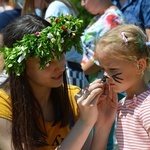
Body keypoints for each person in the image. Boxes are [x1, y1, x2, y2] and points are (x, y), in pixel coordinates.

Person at [0, 13, 107, 150]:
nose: (60, 66)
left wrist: (103, 123)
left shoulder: (74, 97)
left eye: (60, 53)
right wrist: (85, 123)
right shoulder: (4, 105)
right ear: (21, 66)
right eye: (47, 61)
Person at [93, 24, 150, 149]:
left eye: (112, 69)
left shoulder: (146, 106)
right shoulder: (122, 104)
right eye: (103, 69)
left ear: (139, 66)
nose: (105, 75)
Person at [22, 0, 89, 89]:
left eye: (31, 2)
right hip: (74, 70)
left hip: (68, 72)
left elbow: (48, 40)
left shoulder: (55, 7)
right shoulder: (61, 5)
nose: (34, 7)